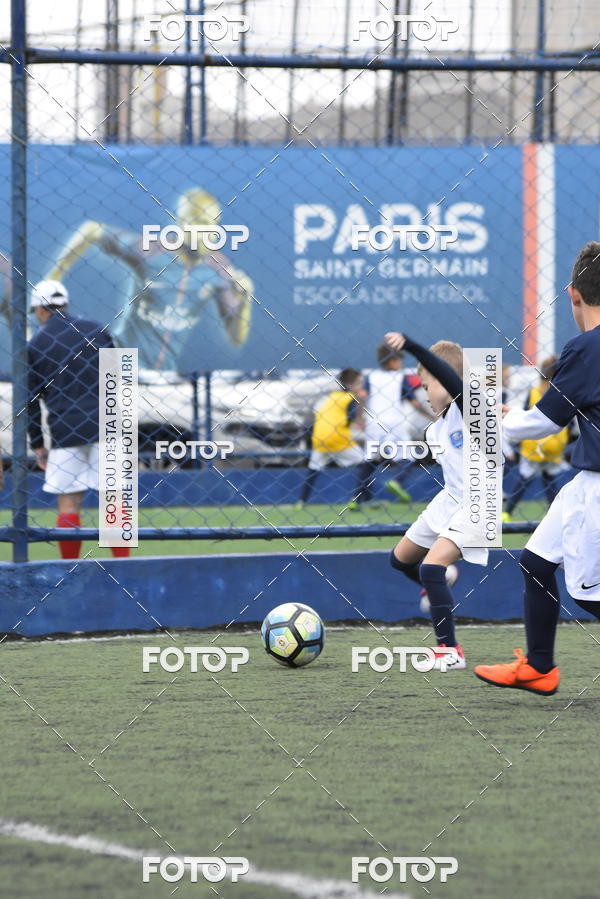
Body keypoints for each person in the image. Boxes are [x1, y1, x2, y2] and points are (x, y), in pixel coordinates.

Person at [474, 241, 600, 695]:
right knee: (536, 563)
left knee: (588, 593)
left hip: (598, 487)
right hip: (584, 481)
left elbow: (544, 423)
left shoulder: (588, 347)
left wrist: (496, 420)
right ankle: (539, 667)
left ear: (573, 294)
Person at [45, 188, 253, 372]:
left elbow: (236, 338)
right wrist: (52, 279)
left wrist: (245, 302)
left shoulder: (218, 269)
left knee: (159, 417)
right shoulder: (152, 251)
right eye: (200, 223)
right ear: (181, 223)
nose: (209, 232)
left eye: (214, 224)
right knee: (116, 417)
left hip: (166, 374)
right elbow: (92, 229)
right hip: (122, 363)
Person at [385, 333, 488, 671]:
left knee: (431, 568)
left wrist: (412, 346)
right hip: (448, 502)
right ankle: (443, 581)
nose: (423, 392)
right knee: (400, 561)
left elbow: (448, 378)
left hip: (476, 504)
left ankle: (449, 652)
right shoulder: (434, 429)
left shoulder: (466, 409)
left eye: (427, 385)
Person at [27, 279, 129, 560]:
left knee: (69, 503)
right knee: (114, 500)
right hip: (106, 424)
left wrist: (37, 442)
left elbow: (31, 400)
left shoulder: (37, 343)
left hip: (64, 428)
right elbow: (118, 377)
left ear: (40, 309)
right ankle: (124, 568)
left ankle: (69, 570)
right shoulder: (97, 330)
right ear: (66, 304)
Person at [349, 343, 432, 509]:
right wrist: (431, 416)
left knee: (370, 459)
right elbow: (414, 402)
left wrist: (359, 418)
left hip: (374, 423)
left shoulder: (370, 377)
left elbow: (362, 397)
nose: (400, 363)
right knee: (408, 457)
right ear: (393, 361)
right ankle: (396, 481)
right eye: (399, 360)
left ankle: (356, 498)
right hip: (395, 422)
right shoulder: (400, 378)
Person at [503, 356, 570, 521]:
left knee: (524, 479)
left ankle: (507, 512)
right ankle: (553, 513)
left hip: (533, 445)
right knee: (549, 480)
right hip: (554, 445)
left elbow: (526, 416)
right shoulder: (562, 392)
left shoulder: (534, 392)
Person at [296, 368, 365, 508]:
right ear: (351, 384)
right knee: (366, 464)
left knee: (313, 469)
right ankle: (357, 500)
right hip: (337, 438)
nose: (361, 386)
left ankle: (301, 501)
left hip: (319, 438)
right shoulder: (351, 398)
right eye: (359, 383)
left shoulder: (331, 396)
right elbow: (354, 418)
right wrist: (361, 405)